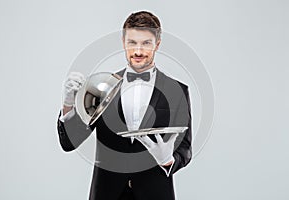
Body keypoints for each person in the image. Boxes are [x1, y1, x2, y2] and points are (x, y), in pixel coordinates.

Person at [57, 11, 192, 200]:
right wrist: (68, 105)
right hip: (106, 193)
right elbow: (69, 143)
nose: (138, 51)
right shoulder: (102, 87)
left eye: (146, 43)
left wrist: (167, 160)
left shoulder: (177, 90)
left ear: (157, 45)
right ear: (123, 42)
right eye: (132, 42)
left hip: (155, 193)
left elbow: (185, 148)